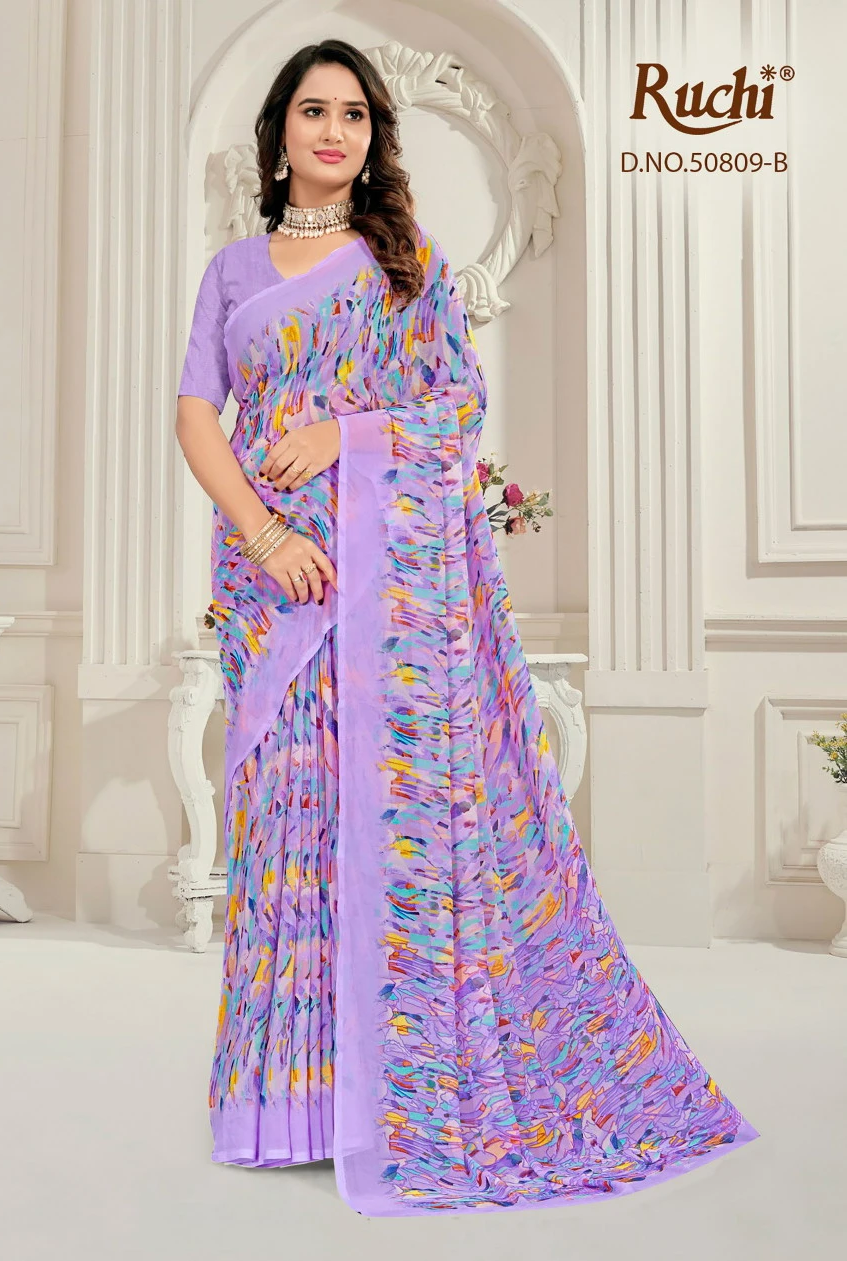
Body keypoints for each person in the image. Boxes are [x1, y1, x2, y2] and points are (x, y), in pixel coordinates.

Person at [176, 37, 759, 1218]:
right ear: (278, 134)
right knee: (287, 824)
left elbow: (453, 410)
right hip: (277, 591)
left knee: (383, 831)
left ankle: (396, 1098)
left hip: (384, 599)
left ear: (373, 138)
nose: (334, 131)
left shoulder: (407, 265)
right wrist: (267, 537)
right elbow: (197, 416)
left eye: (354, 115)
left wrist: (345, 436)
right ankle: (290, 1103)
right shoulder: (233, 271)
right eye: (313, 111)